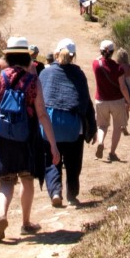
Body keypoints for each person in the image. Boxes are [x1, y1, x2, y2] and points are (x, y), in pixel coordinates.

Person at [0, 37, 58, 242]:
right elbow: (42, 114)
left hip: (3, 137)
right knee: (27, 178)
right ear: (26, 56)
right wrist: (53, 145)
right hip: (27, 137)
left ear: (7, 55)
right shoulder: (33, 80)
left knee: (6, 180)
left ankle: (2, 215)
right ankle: (25, 223)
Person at [38, 38, 96, 206]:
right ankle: (72, 194)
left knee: (50, 161)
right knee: (73, 162)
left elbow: (39, 101)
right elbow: (85, 102)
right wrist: (91, 127)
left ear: (56, 54)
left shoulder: (46, 73)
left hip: (50, 125)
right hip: (73, 126)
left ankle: (56, 192)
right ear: (73, 56)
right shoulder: (78, 74)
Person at [91, 39, 130, 162]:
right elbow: (123, 87)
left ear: (101, 51)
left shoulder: (95, 64)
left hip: (101, 100)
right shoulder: (118, 68)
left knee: (102, 126)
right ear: (113, 52)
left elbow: (99, 58)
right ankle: (112, 152)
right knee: (117, 127)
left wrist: (103, 52)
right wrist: (128, 101)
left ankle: (101, 142)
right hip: (117, 101)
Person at [115, 47, 130, 135]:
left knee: (119, 109)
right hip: (127, 88)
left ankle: (120, 125)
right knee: (126, 109)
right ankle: (124, 126)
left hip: (118, 88)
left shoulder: (117, 67)